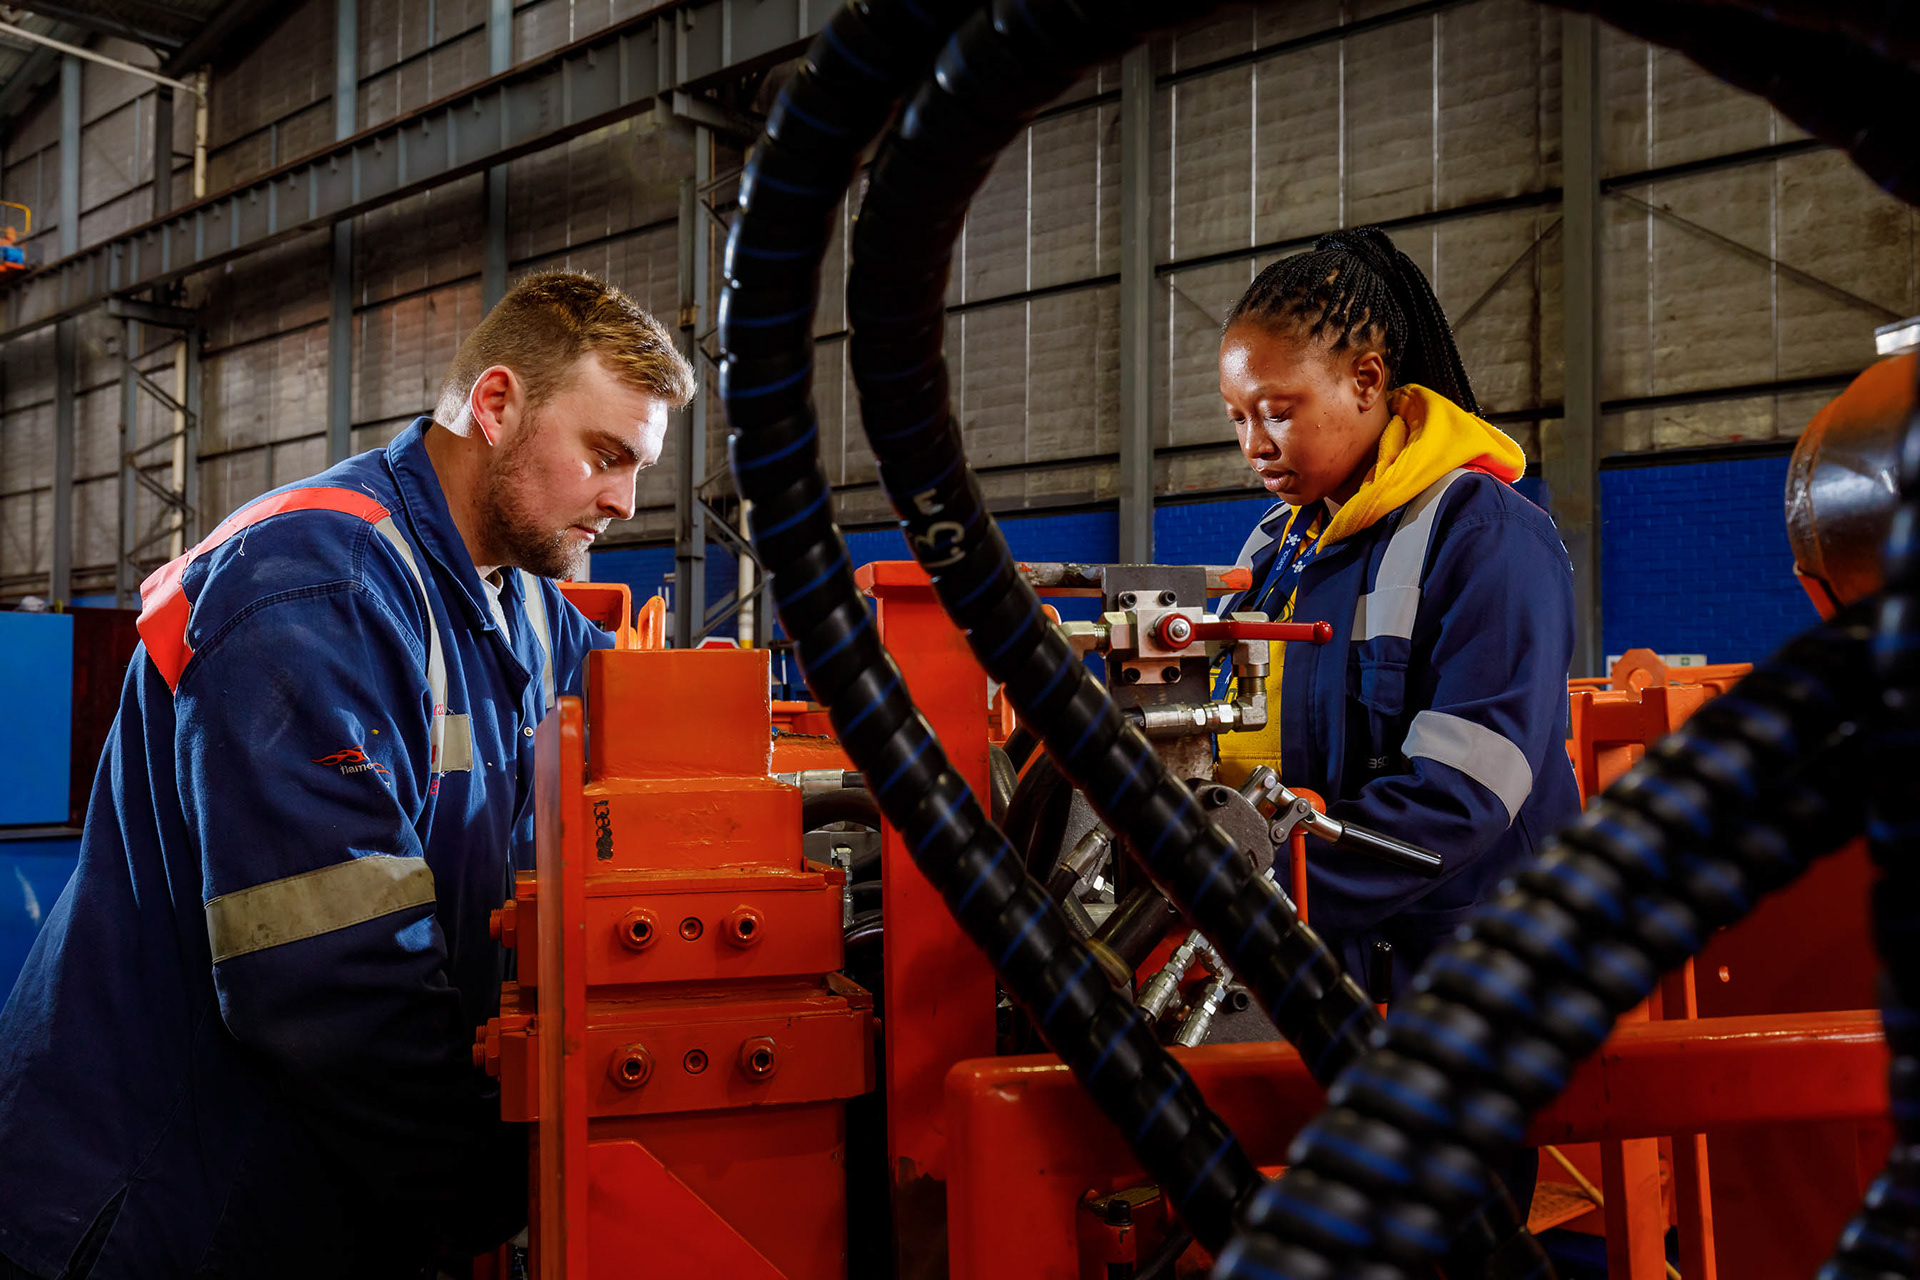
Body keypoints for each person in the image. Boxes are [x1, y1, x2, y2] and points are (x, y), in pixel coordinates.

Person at [0, 272, 694, 1279]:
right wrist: (503, 1184)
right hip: (162, 1200)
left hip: (323, 1190)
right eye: (605, 453)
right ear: (496, 406)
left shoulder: (526, 609)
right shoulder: (314, 587)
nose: (625, 499)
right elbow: (324, 977)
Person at [1213, 226, 1582, 993]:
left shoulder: (1486, 534)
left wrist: (1255, 891)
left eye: (1277, 410)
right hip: (1319, 960)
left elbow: (1465, 791)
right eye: (1238, 418)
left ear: (1367, 379)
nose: (1255, 444)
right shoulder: (1274, 548)